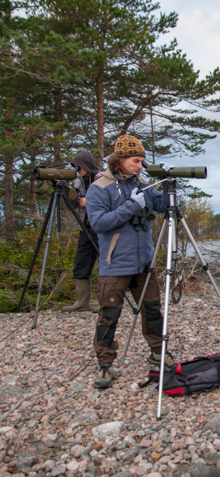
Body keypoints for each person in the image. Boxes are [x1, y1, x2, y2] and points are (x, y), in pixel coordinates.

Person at [85, 134, 172, 389]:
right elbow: (99, 223)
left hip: (144, 264)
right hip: (115, 265)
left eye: (142, 160)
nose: (139, 165)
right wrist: (132, 206)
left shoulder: (143, 183)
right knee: (109, 316)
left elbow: (164, 207)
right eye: (136, 160)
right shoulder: (99, 187)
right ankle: (104, 363)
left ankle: (158, 352)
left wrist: (167, 184)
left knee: (153, 311)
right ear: (119, 160)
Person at [62, 151, 102, 313]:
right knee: (81, 264)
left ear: (86, 165)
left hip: (102, 228)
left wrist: (82, 201)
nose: (77, 170)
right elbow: (74, 203)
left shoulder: (101, 179)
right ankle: (82, 302)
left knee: (106, 266)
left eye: (79, 167)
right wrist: (66, 194)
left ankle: (106, 301)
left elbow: (100, 200)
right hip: (85, 228)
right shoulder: (79, 181)